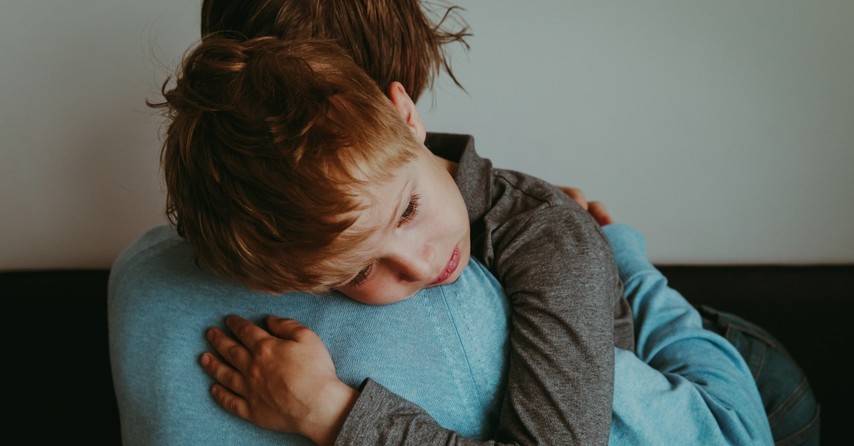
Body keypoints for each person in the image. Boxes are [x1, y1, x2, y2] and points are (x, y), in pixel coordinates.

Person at [152, 34, 630, 445]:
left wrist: (326, 411)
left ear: (405, 116)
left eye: (409, 211)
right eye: (360, 271)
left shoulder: (549, 234)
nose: (419, 267)